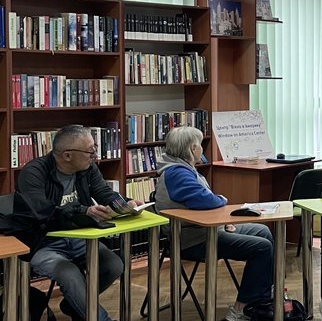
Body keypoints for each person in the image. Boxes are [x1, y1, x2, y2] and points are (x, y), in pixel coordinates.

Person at [17, 124, 141, 321]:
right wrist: (83, 211)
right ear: (67, 155)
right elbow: (40, 211)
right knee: (69, 273)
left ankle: (74, 305)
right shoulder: (34, 172)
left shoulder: (87, 168)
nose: (95, 155)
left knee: (113, 265)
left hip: (79, 237)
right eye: (90, 151)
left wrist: (125, 204)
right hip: (43, 242)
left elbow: (103, 192)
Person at [154, 126, 274, 321]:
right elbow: (205, 200)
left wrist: (223, 222)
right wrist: (222, 200)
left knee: (262, 231)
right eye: (200, 145)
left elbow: (202, 205)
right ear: (193, 149)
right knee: (262, 247)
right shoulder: (177, 173)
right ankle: (242, 309)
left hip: (207, 230)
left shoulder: (182, 169)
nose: (202, 149)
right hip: (193, 240)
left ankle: (262, 298)